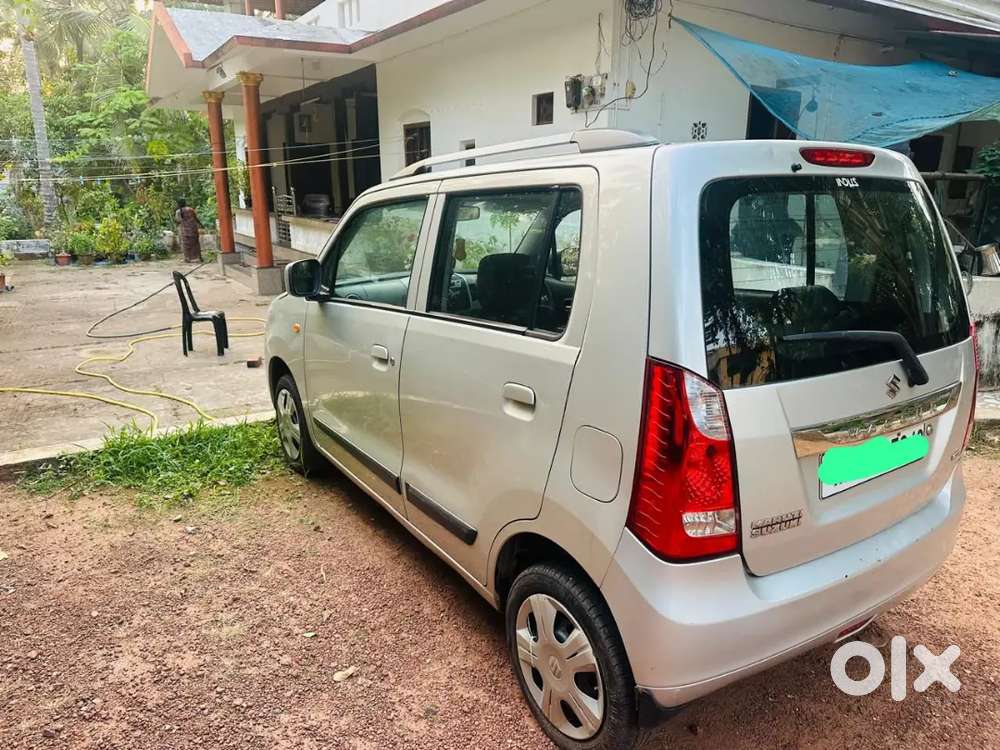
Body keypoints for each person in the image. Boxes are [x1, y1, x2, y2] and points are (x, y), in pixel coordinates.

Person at [174, 199, 204, 263]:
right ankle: (199, 257)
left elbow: (178, 221)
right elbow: (196, 218)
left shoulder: (178, 212)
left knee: (186, 245)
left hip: (185, 230)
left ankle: (187, 258)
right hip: (193, 229)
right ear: (185, 203)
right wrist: (201, 225)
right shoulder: (190, 209)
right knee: (196, 244)